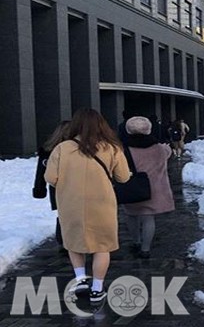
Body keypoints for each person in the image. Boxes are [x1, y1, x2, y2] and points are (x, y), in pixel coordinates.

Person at [44, 108, 130, 302]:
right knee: (102, 245)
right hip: (102, 203)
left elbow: (50, 177)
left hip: (70, 203)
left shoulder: (63, 148)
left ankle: (81, 279)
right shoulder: (111, 147)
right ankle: (97, 288)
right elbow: (123, 177)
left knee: (73, 242)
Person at [122, 116, 174, 259]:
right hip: (154, 189)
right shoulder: (159, 148)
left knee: (131, 215)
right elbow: (168, 153)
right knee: (148, 218)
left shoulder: (123, 148)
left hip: (131, 187)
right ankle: (146, 249)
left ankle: (136, 241)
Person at [32, 120, 71, 253]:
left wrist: (39, 189)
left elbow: (41, 172)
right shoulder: (74, 149)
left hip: (56, 187)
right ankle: (71, 240)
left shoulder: (47, 149)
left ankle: (63, 241)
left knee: (63, 214)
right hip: (73, 186)